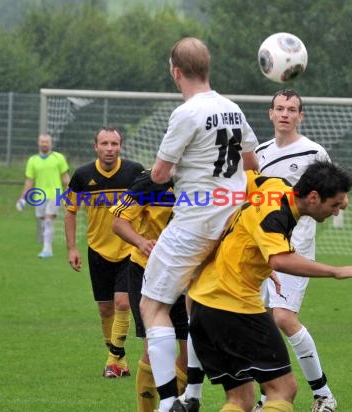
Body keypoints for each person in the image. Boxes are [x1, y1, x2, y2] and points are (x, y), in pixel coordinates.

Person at [188, 161, 352, 412]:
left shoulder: (275, 185)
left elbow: (240, 179)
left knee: (240, 399)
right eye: (333, 205)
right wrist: (335, 271)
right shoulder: (276, 215)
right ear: (313, 197)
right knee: (283, 389)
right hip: (234, 305)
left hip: (204, 303)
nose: (335, 212)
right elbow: (280, 260)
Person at [139, 37, 259, 412]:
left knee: (152, 306)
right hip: (232, 221)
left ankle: (168, 402)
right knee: (197, 302)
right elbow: (252, 161)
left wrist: (176, 173)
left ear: (176, 72)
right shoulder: (233, 109)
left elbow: (159, 174)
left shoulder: (186, 113)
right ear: (208, 68)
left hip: (195, 222)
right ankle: (193, 394)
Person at [253, 89, 335, 412]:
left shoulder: (314, 153)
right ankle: (265, 397)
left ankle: (324, 394)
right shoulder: (258, 153)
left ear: (301, 116)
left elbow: (333, 194)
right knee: (262, 323)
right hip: (260, 252)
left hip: (295, 251)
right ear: (270, 114)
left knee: (284, 317)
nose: (285, 114)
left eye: (292, 109)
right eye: (280, 108)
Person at [64, 126, 144, 378]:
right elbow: (70, 211)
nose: (110, 149)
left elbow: (151, 205)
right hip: (97, 250)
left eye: (114, 144)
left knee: (122, 303)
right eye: (105, 144)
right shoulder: (82, 175)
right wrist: (72, 248)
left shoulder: (134, 172)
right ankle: (120, 361)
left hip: (128, 250)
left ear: (120, 146)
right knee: (105, 309)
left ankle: (112, 360)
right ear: (95, 147)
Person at [110, 172, 189, 412]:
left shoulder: (202, 179)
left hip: (187, 274)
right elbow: (118, 222)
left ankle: (171, 407)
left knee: (190, 355)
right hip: (148, 271)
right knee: (152, 349)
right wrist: (141, 242)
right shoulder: (149, 182)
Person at [16, 133, 70, 258]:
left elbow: (66, 178)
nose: (44, 144)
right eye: (42, 141)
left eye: (47, 142)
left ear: (51, 143)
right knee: (43, 221)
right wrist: (22, 197)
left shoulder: (58, 158)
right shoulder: (33, 160)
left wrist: (71, 193)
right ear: (38, 143)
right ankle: (47, 247)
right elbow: (29, 181)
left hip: (55, 195)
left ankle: (47, 250)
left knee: (48, 220)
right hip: (39, 197)